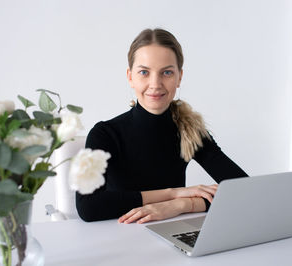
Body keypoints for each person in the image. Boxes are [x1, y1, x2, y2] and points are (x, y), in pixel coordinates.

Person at [76, 28, 248, 224]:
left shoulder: (190, 130)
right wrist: (173, 194)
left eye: (166, 72)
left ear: (179, 77)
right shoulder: (105, 134)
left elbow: (243, 190)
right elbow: (88, 207)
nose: (155, 84)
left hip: (174, 233)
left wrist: (181, 205)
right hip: (120, 236)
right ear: (130, 76)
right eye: (144, 72)